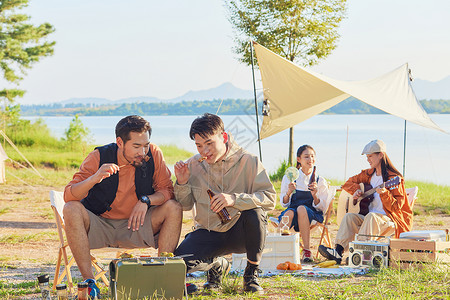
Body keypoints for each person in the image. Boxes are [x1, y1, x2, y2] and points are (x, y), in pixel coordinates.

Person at [63, 115, 182, 298]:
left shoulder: (154, 154)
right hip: (100, 226)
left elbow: (167, 192)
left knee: (174, 207)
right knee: (71, 208)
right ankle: (90, 282)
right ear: (120, 142)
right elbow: (69, 195)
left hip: (138, 226)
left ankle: (162, 276)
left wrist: (146, 200)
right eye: (136, 146)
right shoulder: (98, 157)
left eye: (145, 145)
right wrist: (94, 178)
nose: (143, 152)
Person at [173, 113, 276, 294]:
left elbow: (269, 198)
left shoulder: (249, 161)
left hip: (241, 231)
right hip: (208, 231)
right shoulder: (192, 165)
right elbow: (185, 206)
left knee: (256, 213)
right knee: (178, 263)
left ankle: (251, 275)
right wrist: (182, 183)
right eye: (199, 146)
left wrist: (235, 199)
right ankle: (218, 263)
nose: (204, 151)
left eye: (209, 143)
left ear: (224, 137)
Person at [319, 139, 412, 264]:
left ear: (381, 155)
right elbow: (348, 183)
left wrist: (384, 194)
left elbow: (397, 208)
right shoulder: (368, 174)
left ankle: (358, 253)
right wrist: (357, 190)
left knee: (371, 216)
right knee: (349, 217)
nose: (368, 160)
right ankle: (338, 252)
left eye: (370, 156)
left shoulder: (394, 179)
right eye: (367, 157)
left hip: (388, 220)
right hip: (369, 220)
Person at [272, 145, 333, 263]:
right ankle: (277, 249)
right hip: (294, 212)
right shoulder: (290, 178)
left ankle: (307, 250)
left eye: (312, 156)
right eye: (306, 157)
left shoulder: (319, 180)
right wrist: (289, 192)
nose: (310, 159)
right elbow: (284, 204)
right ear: (299, 159)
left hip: (312, 214)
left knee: (301, 209)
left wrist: (315, 195)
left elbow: (322, 208)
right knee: (289, 212)